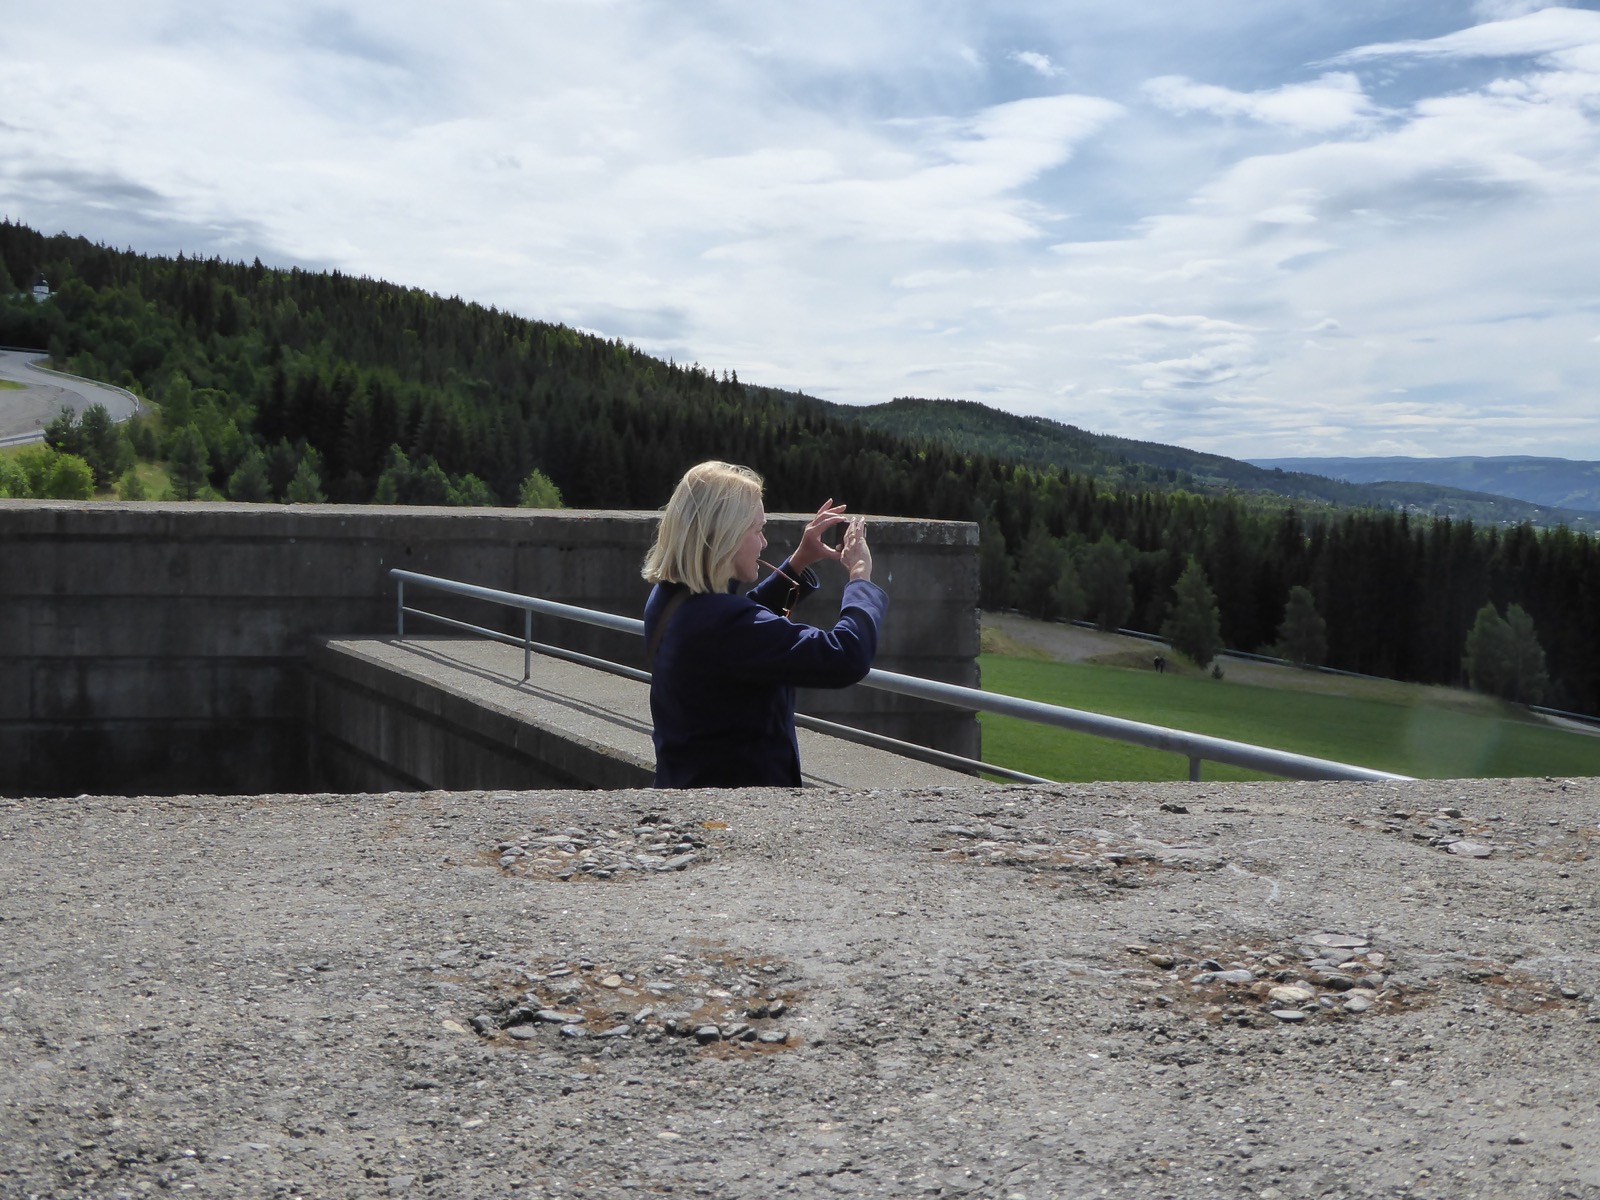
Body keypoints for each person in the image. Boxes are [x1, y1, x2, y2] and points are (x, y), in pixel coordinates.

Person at [640, 461, 886, 788]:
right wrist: (860, 577)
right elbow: (846, 656)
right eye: (758, 530)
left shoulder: (668, 597)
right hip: (737, 809)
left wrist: (799, 561)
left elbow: (737, 633)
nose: (764, 542)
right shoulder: (723, 623)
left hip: (685, 787)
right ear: (726, 536)